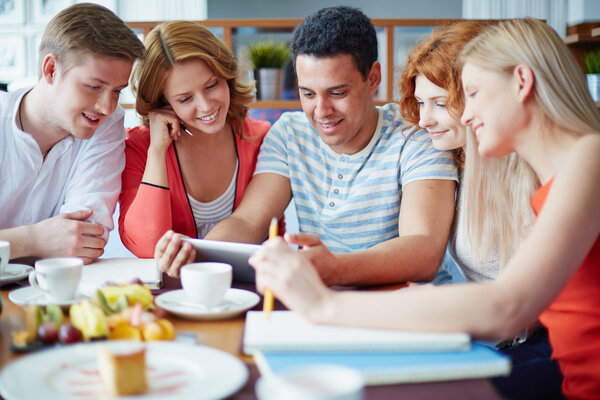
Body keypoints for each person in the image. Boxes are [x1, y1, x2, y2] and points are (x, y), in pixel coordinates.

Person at [249, 18, 600, 399]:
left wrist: (325, 305)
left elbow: (509, 308)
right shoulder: (557, 168)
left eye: (474, 93)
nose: (464, 115)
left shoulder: (589, 158)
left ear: (521, 81)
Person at [155, 6, 458, 285]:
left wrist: (335, 268)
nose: (321, 111)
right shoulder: (290, 133)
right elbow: (248, 221)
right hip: (321, 303)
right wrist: (198, 252)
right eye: (308, 94)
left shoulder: (416, 135)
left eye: (337, 92)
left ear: (373, 78)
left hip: (410, 310)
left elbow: (424, 250)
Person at [398, 21, 562, 399]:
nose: (424, 120)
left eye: (441, 103)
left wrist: (440, 308)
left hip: (542, 345)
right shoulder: (458, 162)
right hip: (489, 340)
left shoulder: (537, 171)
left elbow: (526, 310)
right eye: (421, 103)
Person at [0, 3, 144, 264]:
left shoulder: (107, 123)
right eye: (93, 86)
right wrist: (33, 239)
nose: (106, 106)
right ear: (51, 70)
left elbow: (84, 242)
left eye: (116, 91)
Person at [118, 21, 271, 258]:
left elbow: (260, 229)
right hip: (172, 292)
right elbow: (148, 247)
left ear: (226, 76)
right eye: (185, 99)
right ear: (163, 102)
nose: (206, 105)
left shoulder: (262, 139)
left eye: (212, 85)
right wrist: (158, 151)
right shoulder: (138, 147)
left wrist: (195, 254)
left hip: (251, 290)